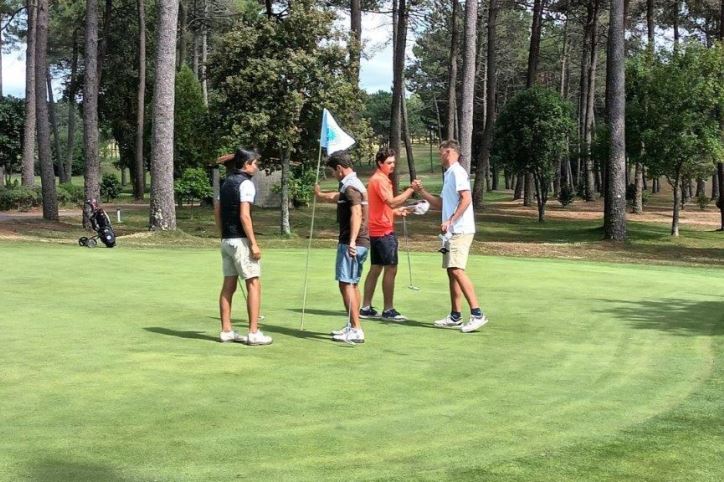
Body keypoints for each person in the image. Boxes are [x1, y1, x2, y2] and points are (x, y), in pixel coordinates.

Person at [412, 140, 489, 333]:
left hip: (460, 230)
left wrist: (451, 220)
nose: (440, 157)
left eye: (441, 153)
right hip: (450, 232)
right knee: (450, 270)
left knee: (456, 269)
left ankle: (477, 314)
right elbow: (441, 203)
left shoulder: (457, 172)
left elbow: (466, 198)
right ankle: (455, 315)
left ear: (449, 152)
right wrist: (421, 192)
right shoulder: (449, 174)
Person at [214, 148, 272, 346]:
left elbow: (217, 211)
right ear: (246, 164)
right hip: (240, 241)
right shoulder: (246, 184)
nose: (256, 166)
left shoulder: (226, 182)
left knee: (228, 286)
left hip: (226, 240)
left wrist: (224, 233)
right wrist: (253, 244)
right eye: (254, 163)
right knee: (253, 283)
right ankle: (254, 333)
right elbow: (245, 216)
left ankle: (226, 330)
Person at [314, 150, 370, 343]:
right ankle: (352, 325)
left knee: (346, 283)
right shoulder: (351, 185)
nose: (332, 175)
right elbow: (337, 197)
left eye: (332, 171)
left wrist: (352, 241)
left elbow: (356, 214)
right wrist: (320, 195)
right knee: (352, 283)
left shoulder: (351, 187)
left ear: (339, 168)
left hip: (352, 241)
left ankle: (356, 329)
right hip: (361, 241)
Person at [360, 148, 418, 322]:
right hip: (383, 233)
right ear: (380, 163)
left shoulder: (380, 179)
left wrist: (395, 212)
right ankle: (388, 309)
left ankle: (366, 307)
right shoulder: (379, 180)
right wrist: (410, 190)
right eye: (389, 163)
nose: (392, 166)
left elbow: (383, 207)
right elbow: (391, 201)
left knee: (376, 268)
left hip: (378, 229)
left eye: (393, 162)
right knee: (390, 269)